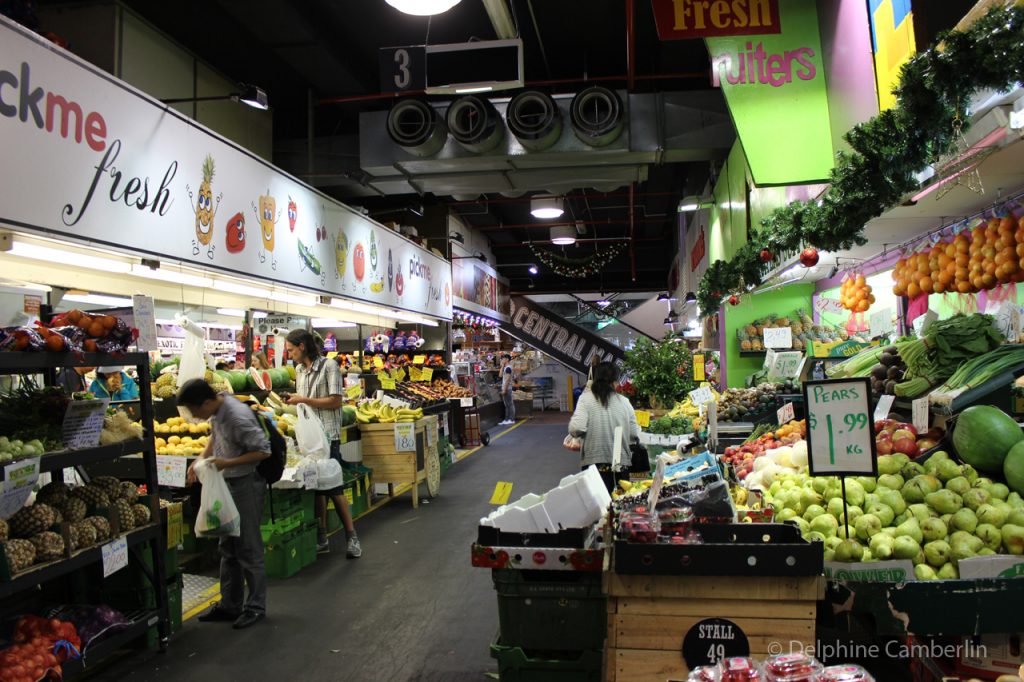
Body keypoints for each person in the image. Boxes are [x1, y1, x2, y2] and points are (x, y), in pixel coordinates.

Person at [180, 378, 269, 630]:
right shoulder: (219, 408)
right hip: (227, 484)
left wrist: (225, 464)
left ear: (206, 402)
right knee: (227, 546)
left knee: (249, 547)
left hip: (246, 484)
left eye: (196, 411)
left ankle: (255, 607)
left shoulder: (237, 416)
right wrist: (200, 459)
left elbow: (264, 451)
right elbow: (214, 437)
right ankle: (230, 605)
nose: (195, 417)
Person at [283, 329, 362, 558]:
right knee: (316, 489)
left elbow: (336, 401)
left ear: (302, 347)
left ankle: (352, 538)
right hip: (309, 441)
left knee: (334, 488)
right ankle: (321, 537)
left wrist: (303, 399)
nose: (289, 354)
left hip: (328, 438)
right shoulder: (299, 370)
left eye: (290, 349)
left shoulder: (330, 366)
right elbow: (305, 405)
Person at [567, 362, 639, 493]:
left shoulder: (585, 399)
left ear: (595, 379)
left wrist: (578, 437)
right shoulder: (625, 402)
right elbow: (634, 434)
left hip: (594, 465)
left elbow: (576, 428)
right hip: (621, 463)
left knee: (597, 507)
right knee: (620, 506)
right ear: (616, 382)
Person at [499, 354, 515, 425]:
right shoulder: (506, 367)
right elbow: (500, 375)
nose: (502, 360)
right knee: (507, 405)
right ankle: (507, 419)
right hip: (506, 388)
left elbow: (507, 380)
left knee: (509, 404)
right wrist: (502, 366)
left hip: (507, 388)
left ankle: (511, 419)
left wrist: (504, 390)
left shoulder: (508, 368)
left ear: (507, 359)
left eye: (503, 359)